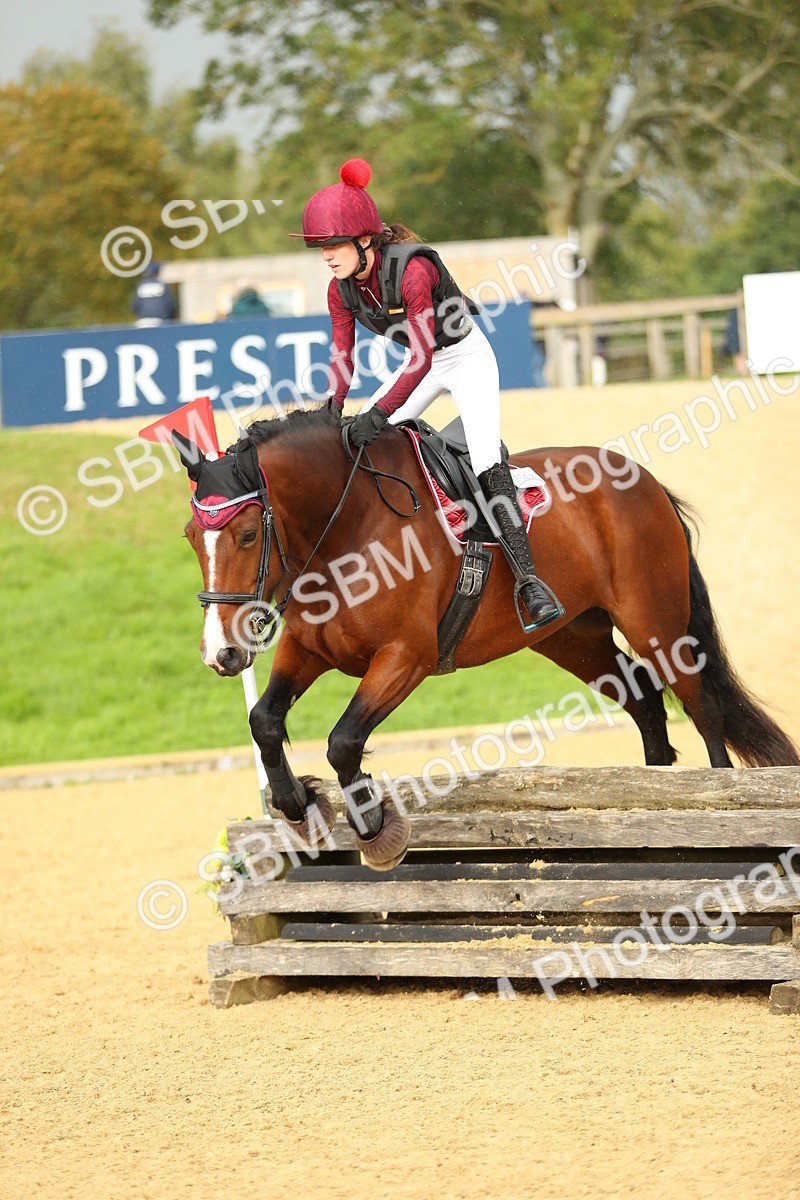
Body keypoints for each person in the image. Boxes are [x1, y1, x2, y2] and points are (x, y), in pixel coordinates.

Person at [292, 157, 562, 631]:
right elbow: (342, 359)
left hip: (466, 359)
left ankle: (529, 583)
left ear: (363, 239)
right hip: (425, 365)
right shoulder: (341, 291)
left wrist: (378, 412)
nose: (327, 256)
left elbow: (419, 358)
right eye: (320, 247)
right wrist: (332, 413)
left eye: (334, 244)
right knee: (360, 445)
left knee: (483, 462)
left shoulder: (413, 271)